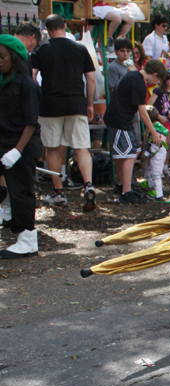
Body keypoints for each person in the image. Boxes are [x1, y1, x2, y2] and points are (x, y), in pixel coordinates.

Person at [31, 15, 96, 211]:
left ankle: (59, 192)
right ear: (65, 26)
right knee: (81, 147)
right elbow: (91, 79)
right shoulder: (80, 48)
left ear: (47, 30)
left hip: (50, 105)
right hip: (76, 103)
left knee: (52, 148)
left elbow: (33, 77)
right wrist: (90, 103)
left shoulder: (41, 50)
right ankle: (88, 185)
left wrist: (38, 99)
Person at [0, 35, 42, 259]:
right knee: (11, 190)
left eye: (3, 56)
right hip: (4, 142)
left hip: (21, 145)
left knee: (22, 190)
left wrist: (17, 150)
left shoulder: (26, 84)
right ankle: (7, 214)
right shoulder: (3, 82)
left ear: (14, 58)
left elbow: (30, 121)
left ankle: (27, 239)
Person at [103, 59, 165, 204]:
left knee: (123, 153)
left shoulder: (134, 76)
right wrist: (154, 133)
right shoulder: (138, 83)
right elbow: (143, 113)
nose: (155, 84)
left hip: (117, 119)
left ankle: (121, 183)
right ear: (155, 75)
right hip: (120, 120)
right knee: (131, 153)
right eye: (157, 81)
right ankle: (126, 191)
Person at [148, 68, 170, 177]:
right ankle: (157, 168)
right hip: (158, 122)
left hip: (169, 122)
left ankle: (165, 167)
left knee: (167, 145)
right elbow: (149, 105)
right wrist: (158, 116)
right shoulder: (158, 91)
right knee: (158, 144)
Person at [141, 105, 169, 198]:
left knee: (156, 173)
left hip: (157, 154)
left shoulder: (156, 131)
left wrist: (146, 154)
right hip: (154, 154)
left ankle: (158, 192)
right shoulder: (153, 127)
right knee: (149, 168)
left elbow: (156, 146)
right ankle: (150, 183)